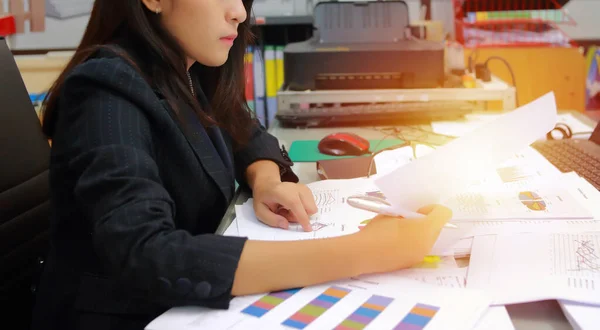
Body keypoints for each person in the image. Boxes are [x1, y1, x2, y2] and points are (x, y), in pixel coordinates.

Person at [30, 0, 452, 329]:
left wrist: (265, 178)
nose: (240, 12)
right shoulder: (107, 90)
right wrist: (367, 251)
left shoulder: (186, 71)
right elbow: (146, 253)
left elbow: (242, 130)